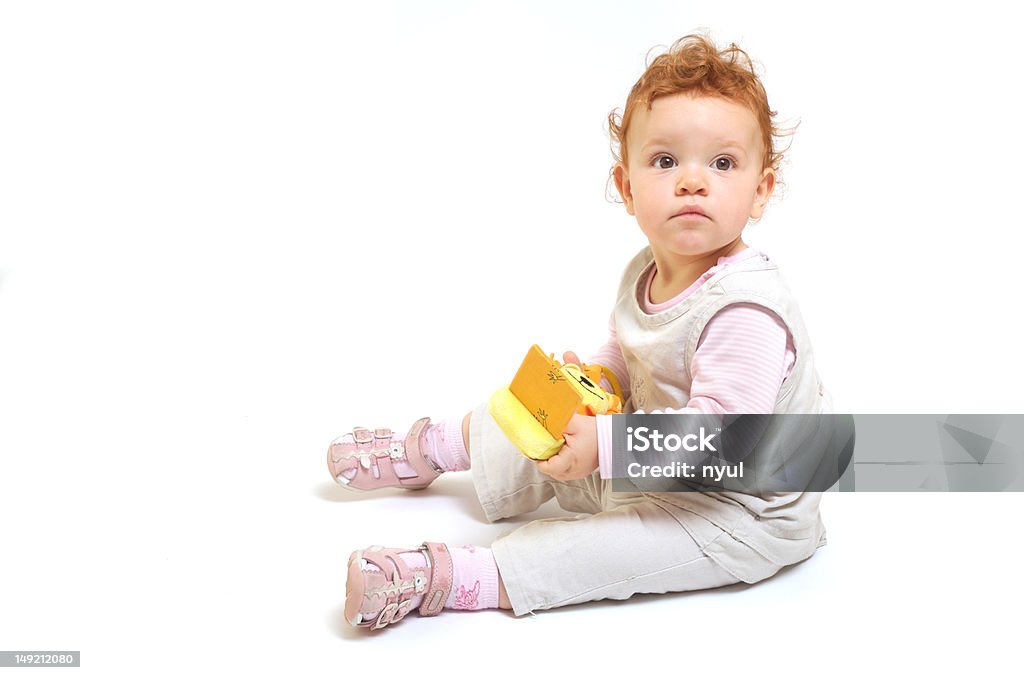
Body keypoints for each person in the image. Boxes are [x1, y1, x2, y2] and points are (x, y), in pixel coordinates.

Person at [329, 33, 831, 630]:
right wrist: (594, 382)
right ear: (626, 186)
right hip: (648, 459)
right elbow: (630, 348)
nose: (693, 181)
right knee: (539, 416)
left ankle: (451, 577)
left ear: (760, 191)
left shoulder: (746, 309)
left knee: (600, 552)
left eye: (722, 163)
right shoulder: (648, 269)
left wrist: (607, 447)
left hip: (738, 512)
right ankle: (434, 447)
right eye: (666, 161)